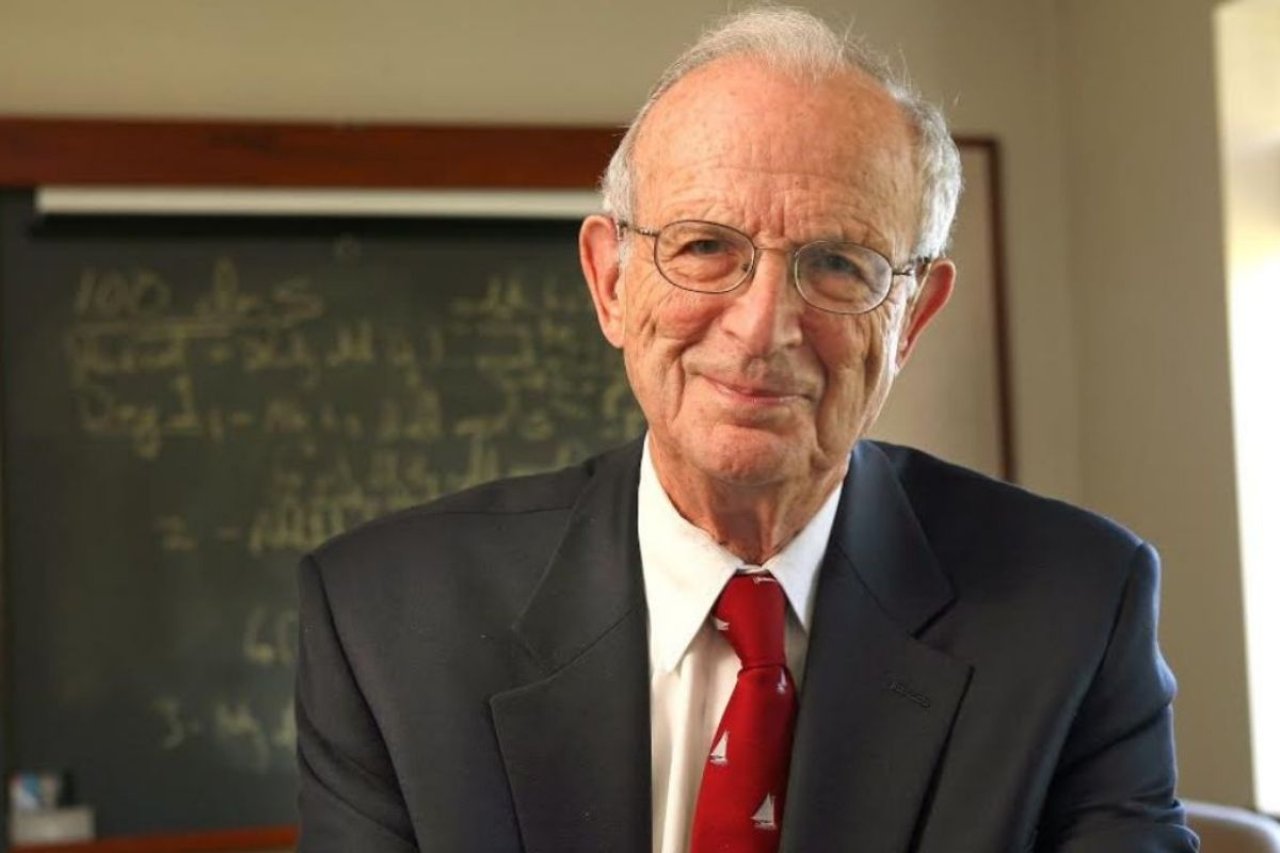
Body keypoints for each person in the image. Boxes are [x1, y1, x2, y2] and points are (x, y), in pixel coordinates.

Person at [295, 7, 1197, 852]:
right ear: (611, 283)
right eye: (704, 247)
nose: (763, 327)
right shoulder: (386, 618)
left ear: (913, 317)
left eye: (838, 263)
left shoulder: (1075, 608)